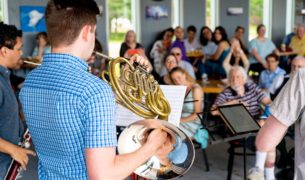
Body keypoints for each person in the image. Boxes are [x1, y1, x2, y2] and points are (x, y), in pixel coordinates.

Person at [19, 1, 171, 179]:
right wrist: (151, 147)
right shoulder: (94, 91)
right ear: (86, 32)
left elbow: (74, 110)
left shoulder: (31, 81)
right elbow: (103, 175)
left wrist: (130, 76)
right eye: (94, 32)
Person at [247, 56, 305, 180]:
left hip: (283, 115)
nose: (296, 69)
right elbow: (270, 96)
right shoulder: (282, 78)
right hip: (279, 112)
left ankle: (263, 169)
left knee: (268, 137)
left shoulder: (300, 79)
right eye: (294, 66)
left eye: (299, 67)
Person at [0, 22, 36, 179]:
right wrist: (13, 150)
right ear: (4, 51)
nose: (21, 53)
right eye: (19, 48)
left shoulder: (5, 76)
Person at [169, 67, 204, 138]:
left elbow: (198, 115)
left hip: (193, 122)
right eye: (174, 80)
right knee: (162, 128)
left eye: (179, 77)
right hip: (180, 119)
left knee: (169, 133)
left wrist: (179, 121)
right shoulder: (179, 89)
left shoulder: (195, 89)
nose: (177, 81)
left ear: (185, 75)